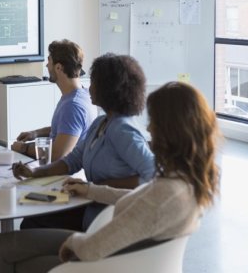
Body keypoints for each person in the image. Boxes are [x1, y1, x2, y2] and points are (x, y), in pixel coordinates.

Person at [0, 81, 221, 273]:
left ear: (171, 130)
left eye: (155, 123)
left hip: (101, 262)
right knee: (4, 244)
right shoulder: (186, 181)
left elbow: (91, 248)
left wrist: (71, 243)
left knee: (5, 251)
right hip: (121, 255)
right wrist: (90, 190)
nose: (149, 129)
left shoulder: (165, 191)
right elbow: (141, 198)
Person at [0, 39, 98, 263]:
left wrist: (23, 148)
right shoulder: (77, 95)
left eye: (49, 61)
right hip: (53, 172)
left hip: (57, 178)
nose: (46, 66)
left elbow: (59, 154)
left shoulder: (74, 105)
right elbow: (64, 129)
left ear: (59, 68)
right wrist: (35, 133)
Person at [11, 53, 155, 232]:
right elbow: (71, 161)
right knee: (33, 219)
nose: (89, 88)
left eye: (93, 82)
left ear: (108, 88)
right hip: (93, 205)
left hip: (110, 218)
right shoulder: (100, 123)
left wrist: (93, 188)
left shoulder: (122, 130)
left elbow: (152, 175)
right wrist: (35, 173)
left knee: (32, 223)